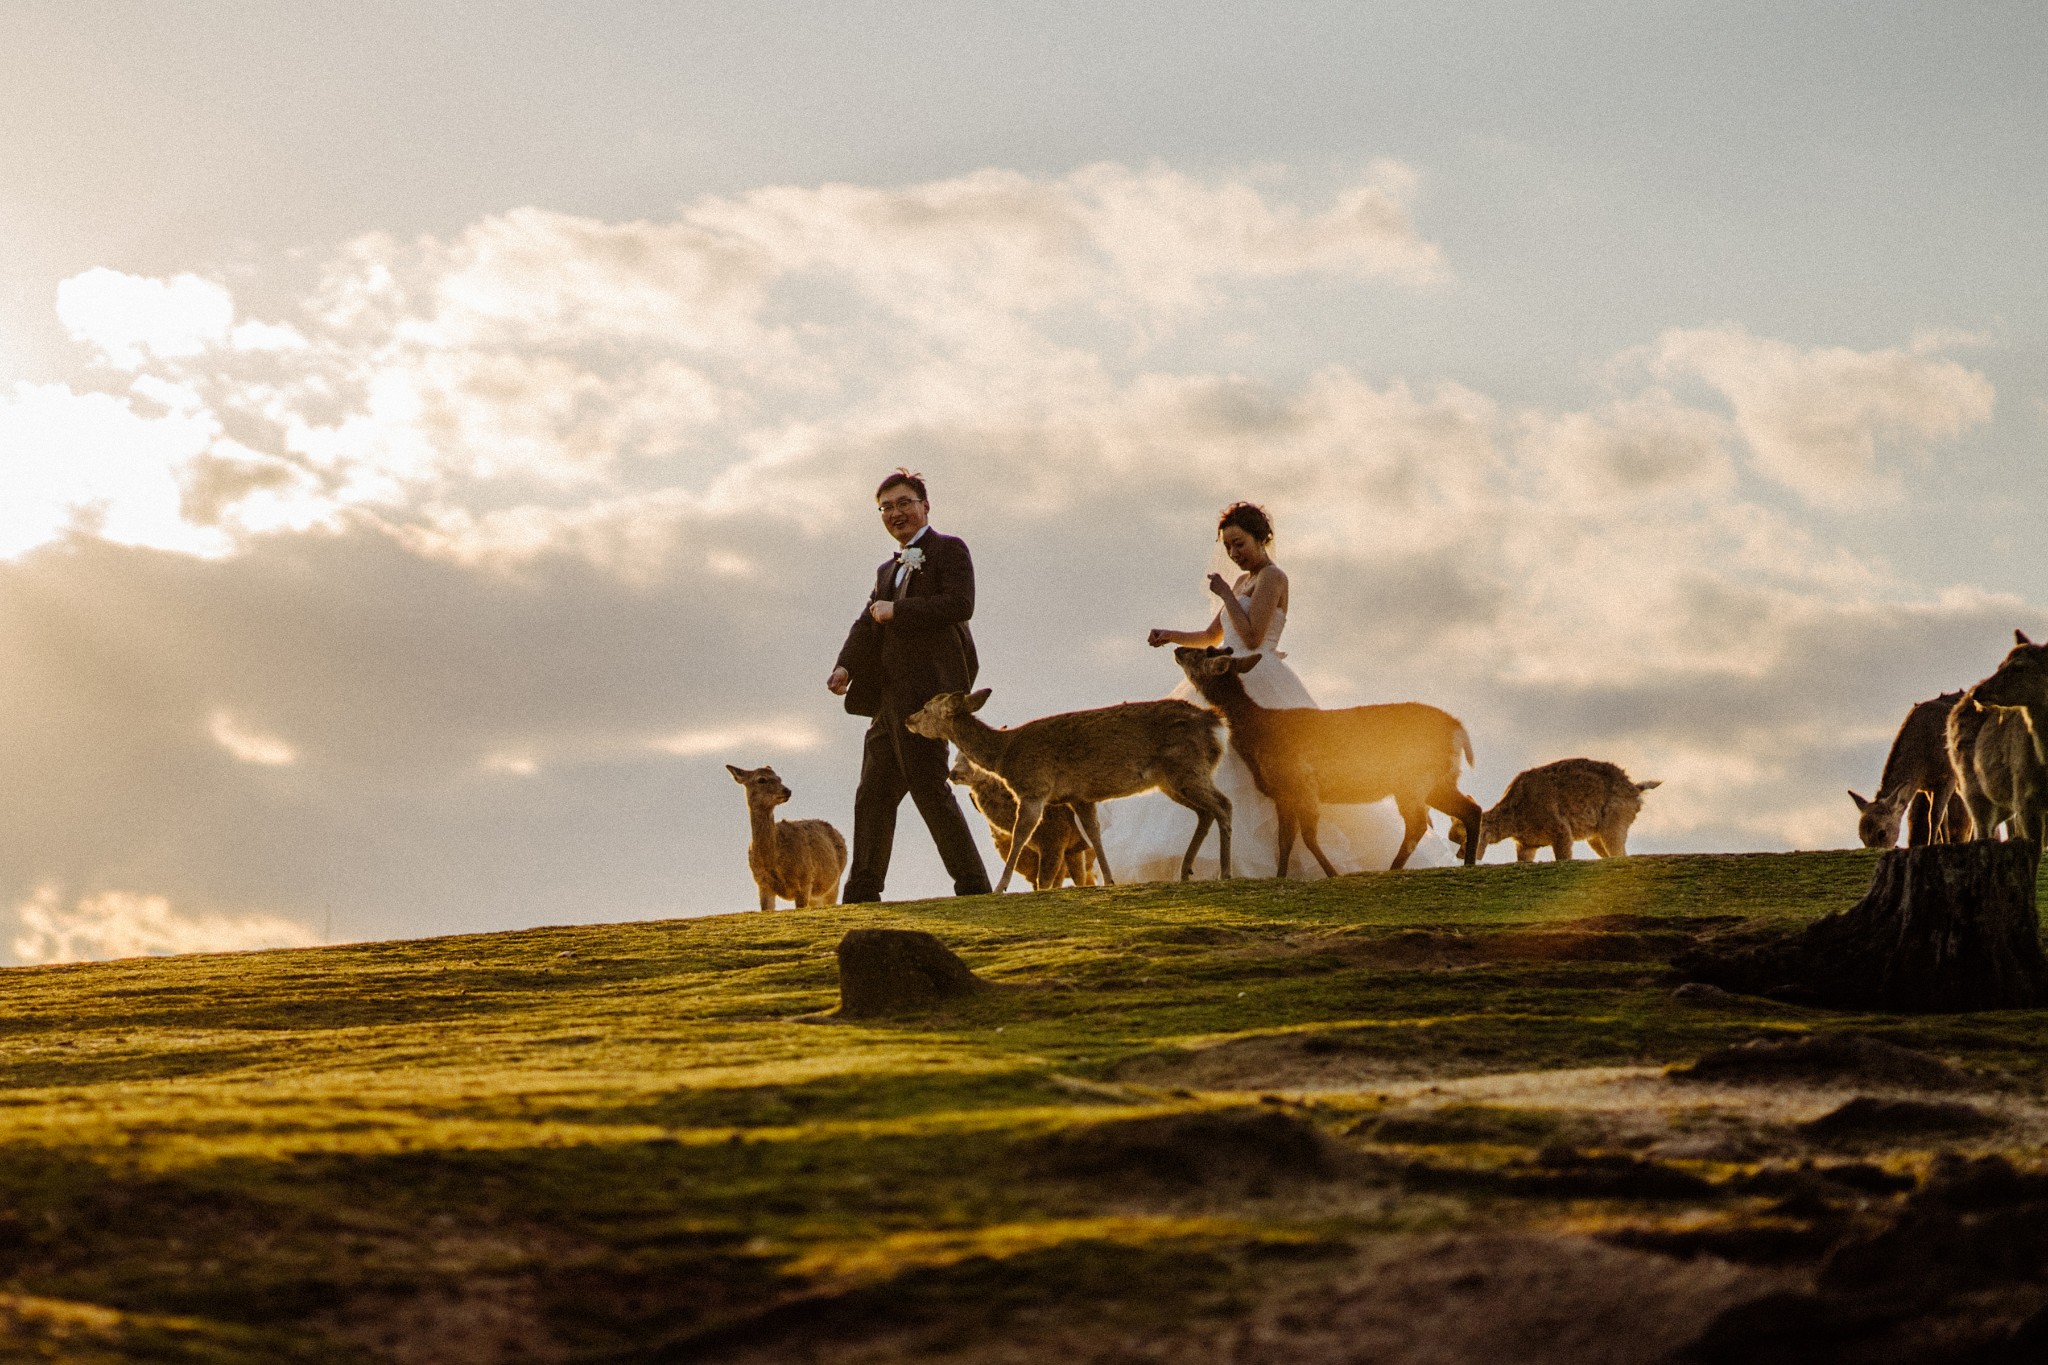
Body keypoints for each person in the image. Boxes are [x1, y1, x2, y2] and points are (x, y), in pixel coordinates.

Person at [1097, 501, 1438, 878]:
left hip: (1259, 678)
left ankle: (1290, 859)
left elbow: (1253, 635)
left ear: (1262, 539)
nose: (1234, 553)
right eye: (1228, 547)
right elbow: (1214, 635)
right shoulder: (1242, 583)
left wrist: (1226, 594)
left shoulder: (1273, 578)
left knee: (1280, 770)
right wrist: (1170, 636)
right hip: (1224, 673)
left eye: (1239, 543)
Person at [827, 470, 993, 902]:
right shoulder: (888, 569)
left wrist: (898, 611)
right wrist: (845, 666)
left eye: (904, 503)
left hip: (928, 699)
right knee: (873, 795)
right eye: (887, 507)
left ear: (925, 506)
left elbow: (962, 604)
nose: (896, 513)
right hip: (886, 700)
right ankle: (861, 895)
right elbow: (866, 623)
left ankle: (974, 888)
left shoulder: (949, 550)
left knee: (928, 789)